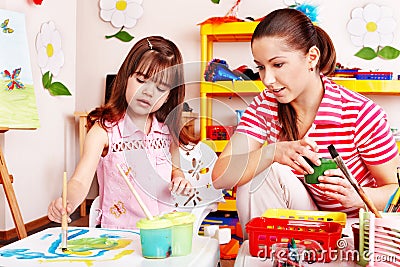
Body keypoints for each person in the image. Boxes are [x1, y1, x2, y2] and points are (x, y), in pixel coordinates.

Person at [212, 8, 400, 232]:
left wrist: (358, 196)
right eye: (260, 67)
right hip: (304, 220)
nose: (268, 80)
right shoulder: (265, 104)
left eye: (278, 64)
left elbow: (395, 191)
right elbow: (220, 177)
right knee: (257, 172)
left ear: (312, 57)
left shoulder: (361, 113)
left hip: (352, 225)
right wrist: (273, 152)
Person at [48, 36, 198, 229]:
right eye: (141, 80)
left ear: (170, 95)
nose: (149, 92)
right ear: (126, 76)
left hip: (163, 232)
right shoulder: (103, 131)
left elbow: (175, 169)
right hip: (119, 236)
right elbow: (80, 180)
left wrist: (179, 179)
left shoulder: (168, 130)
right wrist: (67, 202)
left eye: (161, 88)